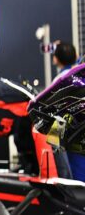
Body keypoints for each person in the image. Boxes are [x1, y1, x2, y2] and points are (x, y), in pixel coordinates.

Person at [49, 41, 85, 180]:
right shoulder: (77, 76)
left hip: (74, 140)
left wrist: (54, 143)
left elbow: (56, 116)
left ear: (56, 59)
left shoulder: (62, 80)